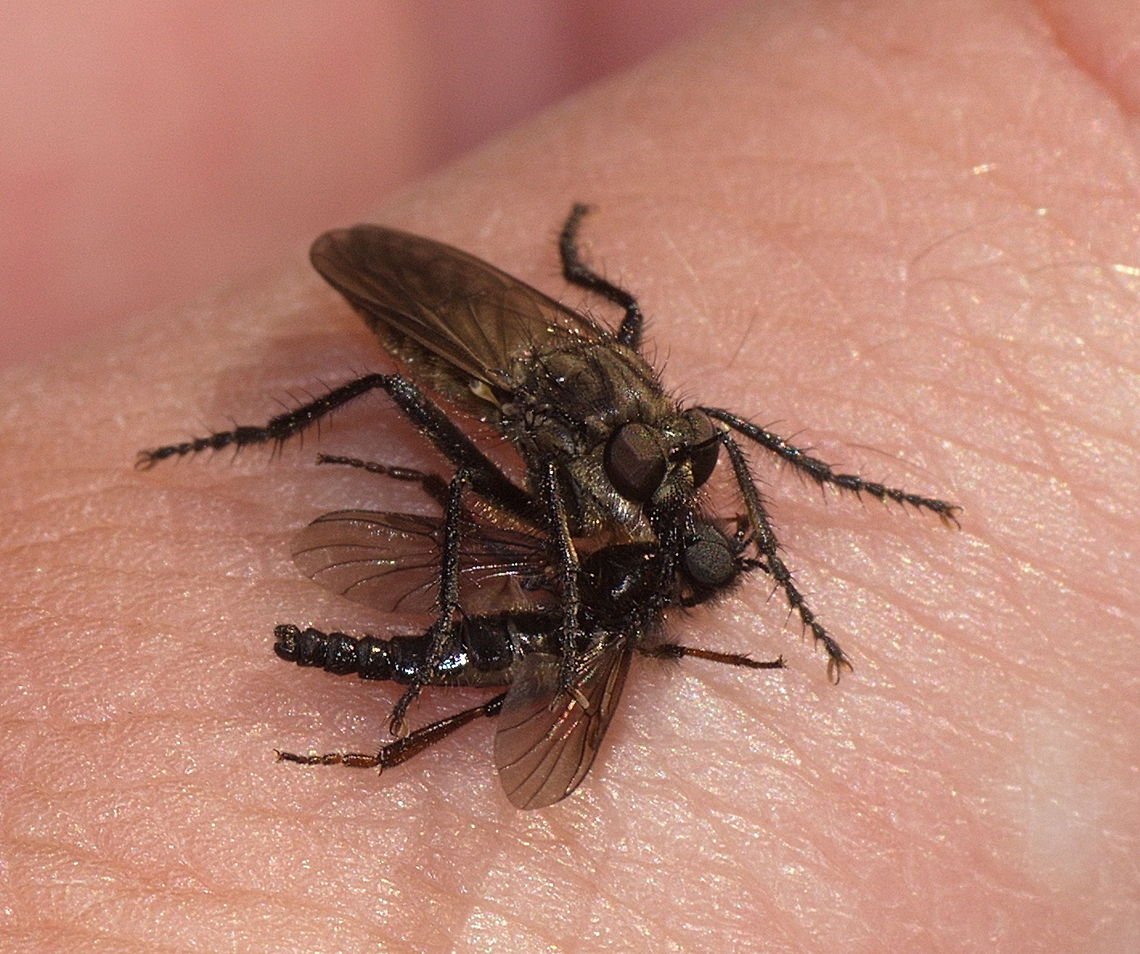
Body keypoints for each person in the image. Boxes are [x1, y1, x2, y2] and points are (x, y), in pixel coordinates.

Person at [1, 4, 1134, 951]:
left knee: (660, 385)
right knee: (401, 404)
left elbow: (692, 429)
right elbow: (538, 489)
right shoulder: (565, 467)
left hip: (548, 377)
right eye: (660, 471)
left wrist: (789, 519)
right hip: (469, 357)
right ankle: (242, 445)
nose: (677, 484)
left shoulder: (661, 444)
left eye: (669, 465)